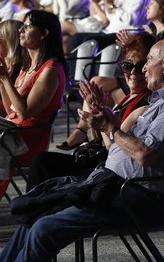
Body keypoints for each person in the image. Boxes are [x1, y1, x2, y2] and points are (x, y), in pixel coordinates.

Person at [0, 39, 164, 262]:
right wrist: (107, 125)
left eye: (149, 62)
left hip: (140, 196)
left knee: (44, 228)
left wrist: (114, 129)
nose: (143, 70)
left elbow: (146, 155)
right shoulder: (162, 102)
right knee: (34, 213)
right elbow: (119, 148)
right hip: (117, 186)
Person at [34, 33, 155, 185]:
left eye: (139, 67)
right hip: (97, 159)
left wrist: (103, 119)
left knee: (42, 164)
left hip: (108, 172)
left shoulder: (143, 104)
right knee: (42, 162)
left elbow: (113, 148)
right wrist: (98, 109)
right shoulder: (128, 98)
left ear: (148, 69)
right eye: (127, 66)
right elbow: (102, 140)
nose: (132, 73)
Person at [0, 11, 67, 199]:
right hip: (12, 130)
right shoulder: (27, 66)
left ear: (44, 33)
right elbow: (10, 110)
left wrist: (6, 79)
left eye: (28, 26)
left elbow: (25, 113)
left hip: (27, 139)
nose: (21, 29)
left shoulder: (51, 70)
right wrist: (3, 80)